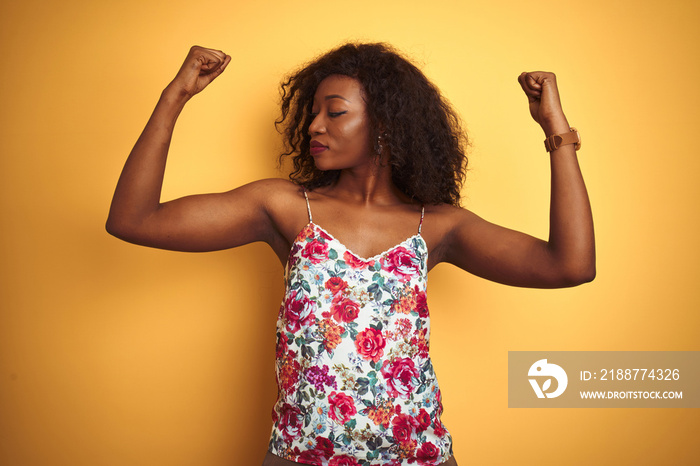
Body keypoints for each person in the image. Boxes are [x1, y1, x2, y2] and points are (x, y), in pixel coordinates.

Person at [106, 43, 595, 466]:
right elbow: (134, 220)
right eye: (312, 112)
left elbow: (570, 266)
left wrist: (557, 131)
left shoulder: (439, 225)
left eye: (334, 112)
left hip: (419, 456)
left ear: (383, 124)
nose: (314, 125)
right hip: (298, 455)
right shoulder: (285, 207)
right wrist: (175, 98)